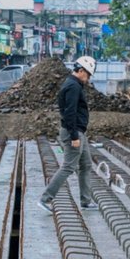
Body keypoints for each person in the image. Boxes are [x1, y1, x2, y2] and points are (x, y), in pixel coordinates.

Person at [38, 56, 99, 213]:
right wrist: (74, 137)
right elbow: (69, 113)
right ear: (80, 71)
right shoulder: (73, 87)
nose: (88, 78)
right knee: (68, 166)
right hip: (74, 131)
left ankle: (86, 201)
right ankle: (46, 198)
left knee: (86, 165)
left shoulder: (74, 84)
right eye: (88, 74)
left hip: (79, 132)